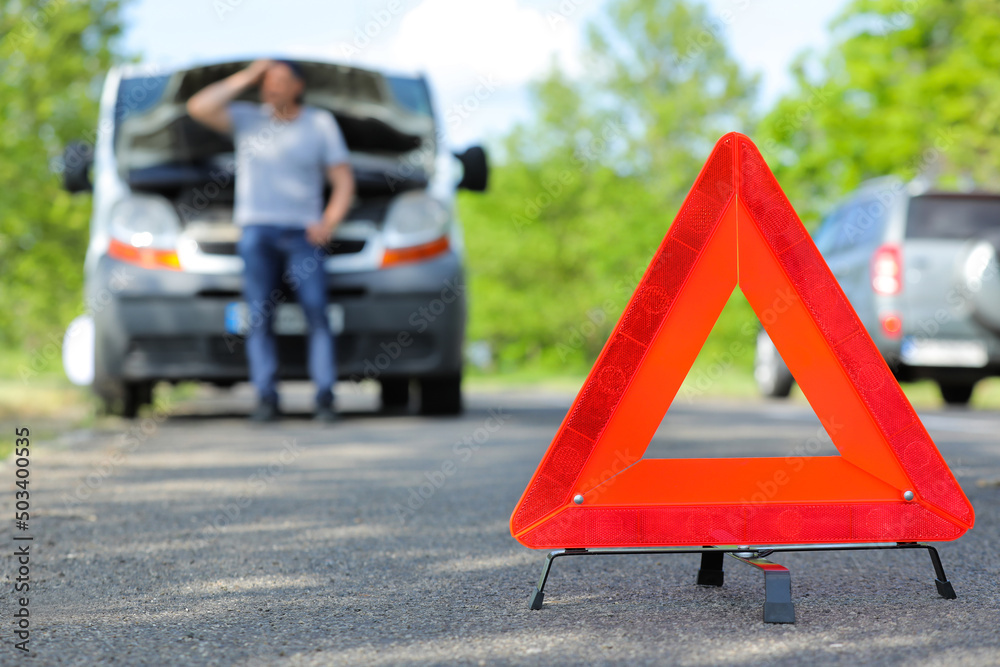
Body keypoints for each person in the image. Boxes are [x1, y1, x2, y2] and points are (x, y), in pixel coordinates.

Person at [187, 59, 355, 422]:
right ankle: (266, 397)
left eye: (280, 80)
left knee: (316, 313)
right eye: (266, 81)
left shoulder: (319, 124)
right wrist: (248, 75)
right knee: (259, 315)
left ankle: (325, 396)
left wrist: (329, 222)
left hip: (303, 234)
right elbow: (198, 107)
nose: (271, 87)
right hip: (257, 231)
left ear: (299, 86)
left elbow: (343, 181)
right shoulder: (249, 119)